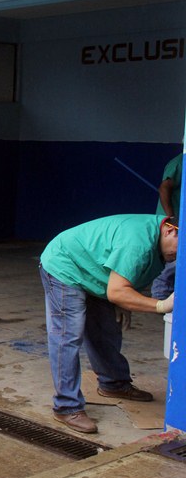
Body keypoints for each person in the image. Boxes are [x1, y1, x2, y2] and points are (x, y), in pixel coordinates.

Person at [39, 214, 177, 434]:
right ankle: (66, 406)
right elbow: (116, 291)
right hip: (65, 264)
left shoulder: (161, 246)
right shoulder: (138, 242)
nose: (179, 255)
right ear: (170, 230)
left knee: (105, 330)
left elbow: (126, 280)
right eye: (181, 248)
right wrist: (160, 305)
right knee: (68, 335)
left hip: (94, 272)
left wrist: (127, 299)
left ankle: (113, 384)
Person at [152, 152, 182, 300]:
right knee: (172, 262)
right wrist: (171, 218)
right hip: (173, 225)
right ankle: (160, 298)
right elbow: (164, 188)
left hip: (177, 223)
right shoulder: (180, 162)